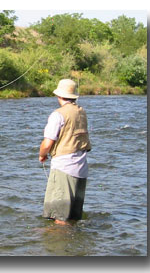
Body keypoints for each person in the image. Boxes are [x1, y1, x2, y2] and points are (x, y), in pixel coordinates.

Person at [39, 79, 91, 225]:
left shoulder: (58, 115)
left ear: (59, 96)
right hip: (81, 169)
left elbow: (47, 143)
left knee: (60, 218)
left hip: (64, 169)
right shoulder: (81, 112)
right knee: (73, 218)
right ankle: (73, 247)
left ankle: (57, 246)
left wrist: (42, 154)